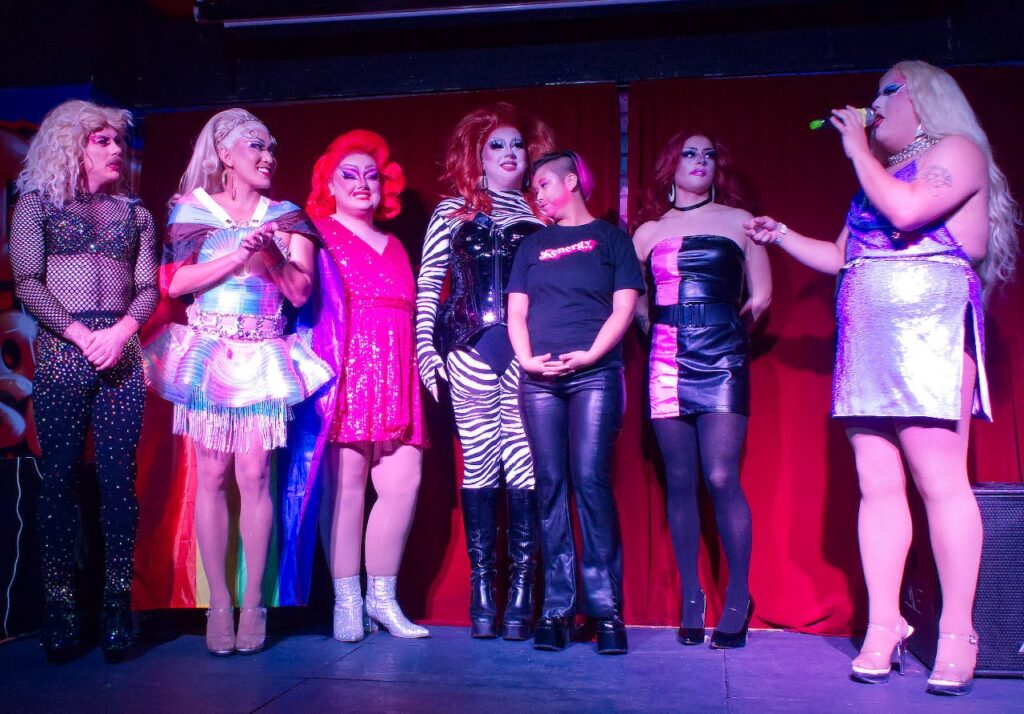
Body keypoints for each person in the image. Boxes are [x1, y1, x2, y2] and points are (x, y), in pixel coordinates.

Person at [745, 61, 1018, 696]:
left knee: (940, 483)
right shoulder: (880, 174)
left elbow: (907, 212)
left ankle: (958, 632)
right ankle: (884, 622)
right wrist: (780, 234)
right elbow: (843, 255)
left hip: (929, 330)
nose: (874, 103)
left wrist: (856, 149)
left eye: (886, 91)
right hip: (866, 340)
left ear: (922, 97)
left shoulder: (957, 151)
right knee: (877, 486)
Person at [143, 108, 331, 656]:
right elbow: (177, 284)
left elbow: (299, 293)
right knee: (212, 474)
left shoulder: (287, 216)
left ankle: (253, 603)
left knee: (254, 474)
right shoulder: (193, 210)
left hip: (262, 353)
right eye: (256, 145)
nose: (268, 156)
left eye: (271, 147)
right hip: (210, 353)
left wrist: (266, 250)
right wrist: (236, 256)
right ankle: (219, 604)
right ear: (226, 154)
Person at [10, 100, 159, 663]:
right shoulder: (37, 204)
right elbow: (28, 281)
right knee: (59, 480)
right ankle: (60, 608)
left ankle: (117, 607)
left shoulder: (136, 214)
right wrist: (79, 334)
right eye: (102, 140)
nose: (116, 149)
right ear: (71, 143)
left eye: (118, 140)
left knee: (120, 483)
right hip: (64, 352)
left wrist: (119, 333)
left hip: (120, 355)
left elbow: (147, 289)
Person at [415, 103, 554, 639]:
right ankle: (481, 592)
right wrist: (425, 350)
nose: (509, 153)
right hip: (468, 347)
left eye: (517, 144)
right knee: (479, 464)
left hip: (526, 351)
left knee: (523, 465)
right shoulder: (452, 211)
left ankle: (520, 593)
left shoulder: (541, 214)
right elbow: (431, 283)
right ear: (477, 154)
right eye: (497, 144)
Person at [633, 130, 771, 649]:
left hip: (723, 355)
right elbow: (635, 300)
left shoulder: (741, 222)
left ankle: (738, 596)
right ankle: (691, 596)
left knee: (719, 474)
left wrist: (728, 335)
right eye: (689, 153)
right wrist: (657, 333)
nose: (700, 160)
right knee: (680, 479)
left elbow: (762, 296)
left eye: (709, 154)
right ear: (671, 164)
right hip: (667, 357)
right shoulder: (647, 232)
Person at [507, 151, 643, 654]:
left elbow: (624, 308)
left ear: (570, 181)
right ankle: (557, 609)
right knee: (550, 485)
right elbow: (516, 312)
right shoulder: (532, 245)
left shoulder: (611, 239)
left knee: (590, 481)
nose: (537, 194)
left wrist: (591, 355)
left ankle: (606, 612)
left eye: (543, 183)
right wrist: (526, 360)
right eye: (533, 187)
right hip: (540, 380)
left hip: (595, 375)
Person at [305, 129, 428, 640]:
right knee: (346, 488)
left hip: (397, 369)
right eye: (349, 175)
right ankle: (346, 600)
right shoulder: (317, 233)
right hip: (346, 369)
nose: (361, 183)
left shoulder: (396, 244)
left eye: (371, 176)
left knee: (403, 483)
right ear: (329, 184)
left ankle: (382, 598)